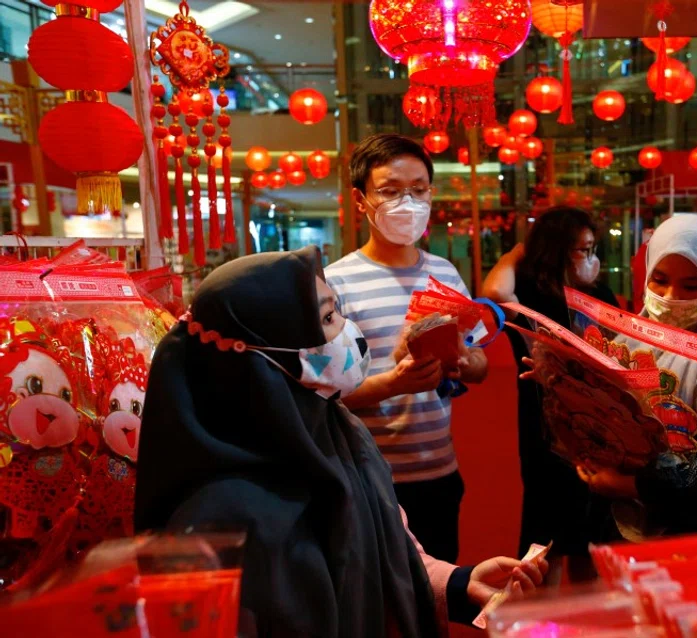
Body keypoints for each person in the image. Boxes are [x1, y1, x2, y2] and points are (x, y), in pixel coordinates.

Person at [134, 248, 546, 637]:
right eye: (328, 318)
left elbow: (390, 550)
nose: (348, 331)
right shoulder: (219, 518)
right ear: (265, 353)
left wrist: (458, 584)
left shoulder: (340, 431)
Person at [324, 134, 488, 563]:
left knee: (437, 596)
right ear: (361, 200)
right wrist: (392, 383)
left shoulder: (445, 273)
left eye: (418, 190)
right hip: (366, 476)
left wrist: (464, 361)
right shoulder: (335, 283)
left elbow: (480, 364)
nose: (408, 202)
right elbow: (323, 394)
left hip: (438, 468)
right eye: (391, 191)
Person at [568, 215, 697, 537]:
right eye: (659, 279)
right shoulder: (631, 339)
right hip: (627, 524)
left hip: (691, 535)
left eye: (691, 285)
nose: (672, 296)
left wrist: (631, 485)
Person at [482, 207, 619, 583]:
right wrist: (521, 250)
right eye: (583, 250)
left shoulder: (599, 294)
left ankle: (589, 613)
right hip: (544, 427)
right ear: (556, 250)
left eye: (593, 249)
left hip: (598, 427)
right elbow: (493, 291)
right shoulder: (530, 295)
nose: (593, 259)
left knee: (593, 528)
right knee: (546, 529)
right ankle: (540, 612)